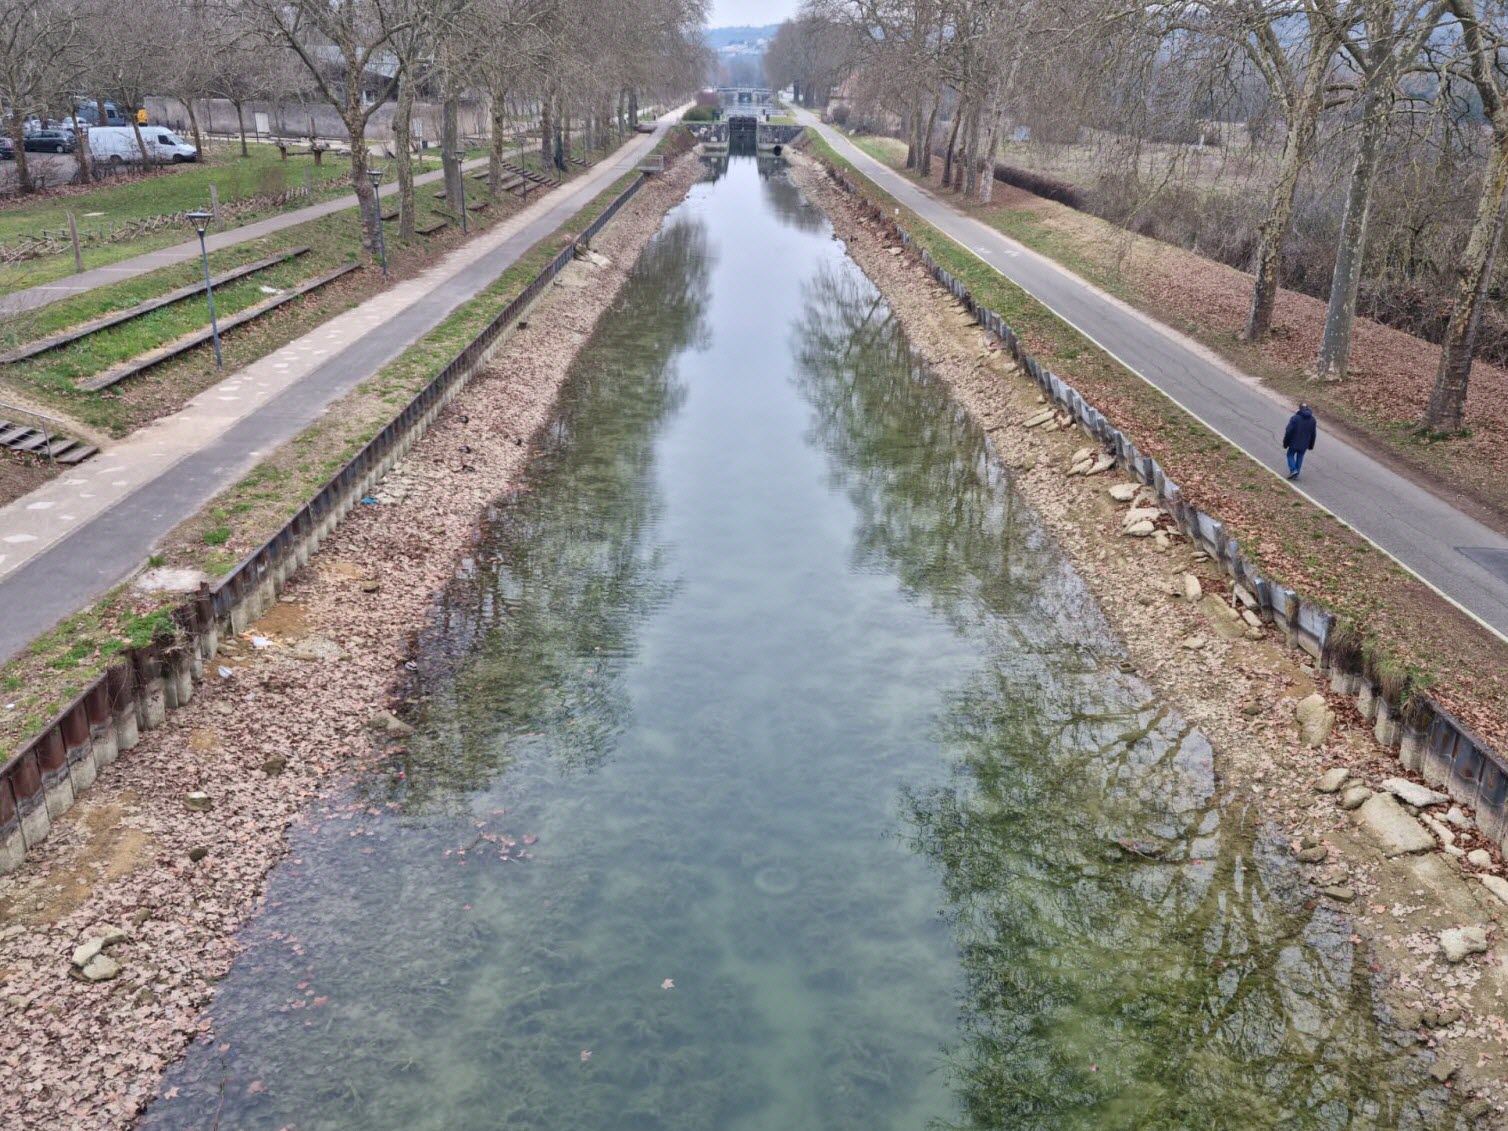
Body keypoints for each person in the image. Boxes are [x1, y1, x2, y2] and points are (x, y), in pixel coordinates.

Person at [1283, 403, 1317, 480]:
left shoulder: (1295, 418)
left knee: (1290, 455)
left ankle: (1293, 470)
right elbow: (1313, 434)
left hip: (1293, 442)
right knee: (1300, 456)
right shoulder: (1313, 420)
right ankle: (1296, 474)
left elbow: (1288, 431)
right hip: (1304, 444)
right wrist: (1311, 445)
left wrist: (1285, 442)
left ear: (1299, 409)